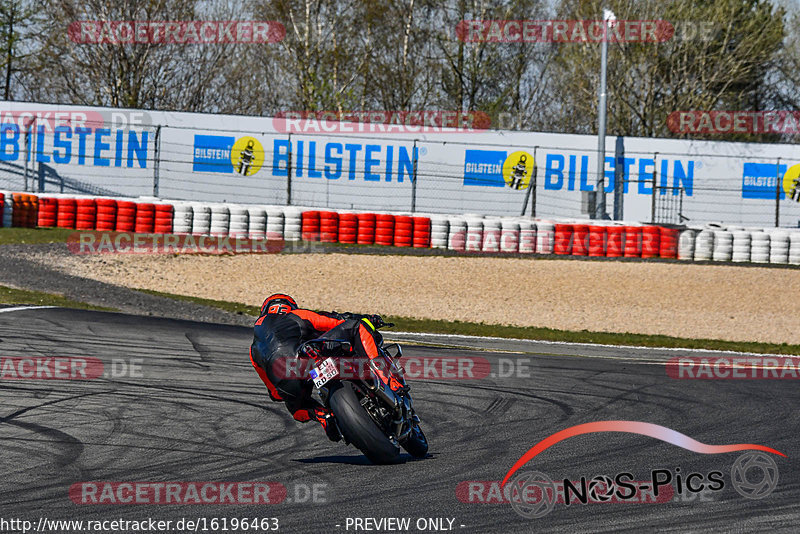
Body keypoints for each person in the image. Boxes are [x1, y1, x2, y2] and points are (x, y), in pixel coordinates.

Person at [249, 293, 397, 442]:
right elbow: (336, 322)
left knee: (298, 409)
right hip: (307, 357)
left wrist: (288, 393)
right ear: (289, 306)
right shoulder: (296, 315)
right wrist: (369, 318)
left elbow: (275, 394)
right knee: (359, 326)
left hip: (285, 379)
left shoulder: (254, 347)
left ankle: (322, 416)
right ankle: (388, 380)